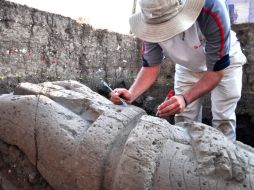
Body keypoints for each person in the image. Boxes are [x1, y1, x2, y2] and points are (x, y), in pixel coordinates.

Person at [110, 0, 246, 141]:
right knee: (184, 119)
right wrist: (131, 94)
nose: (163, 33)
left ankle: (224, 157)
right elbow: (150, 67)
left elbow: (215, 72)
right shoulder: (150, 20)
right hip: (187, 66)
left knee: (223, 118)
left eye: (167, 26)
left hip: (225, 64)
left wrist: (185, 98)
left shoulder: (211, 8)